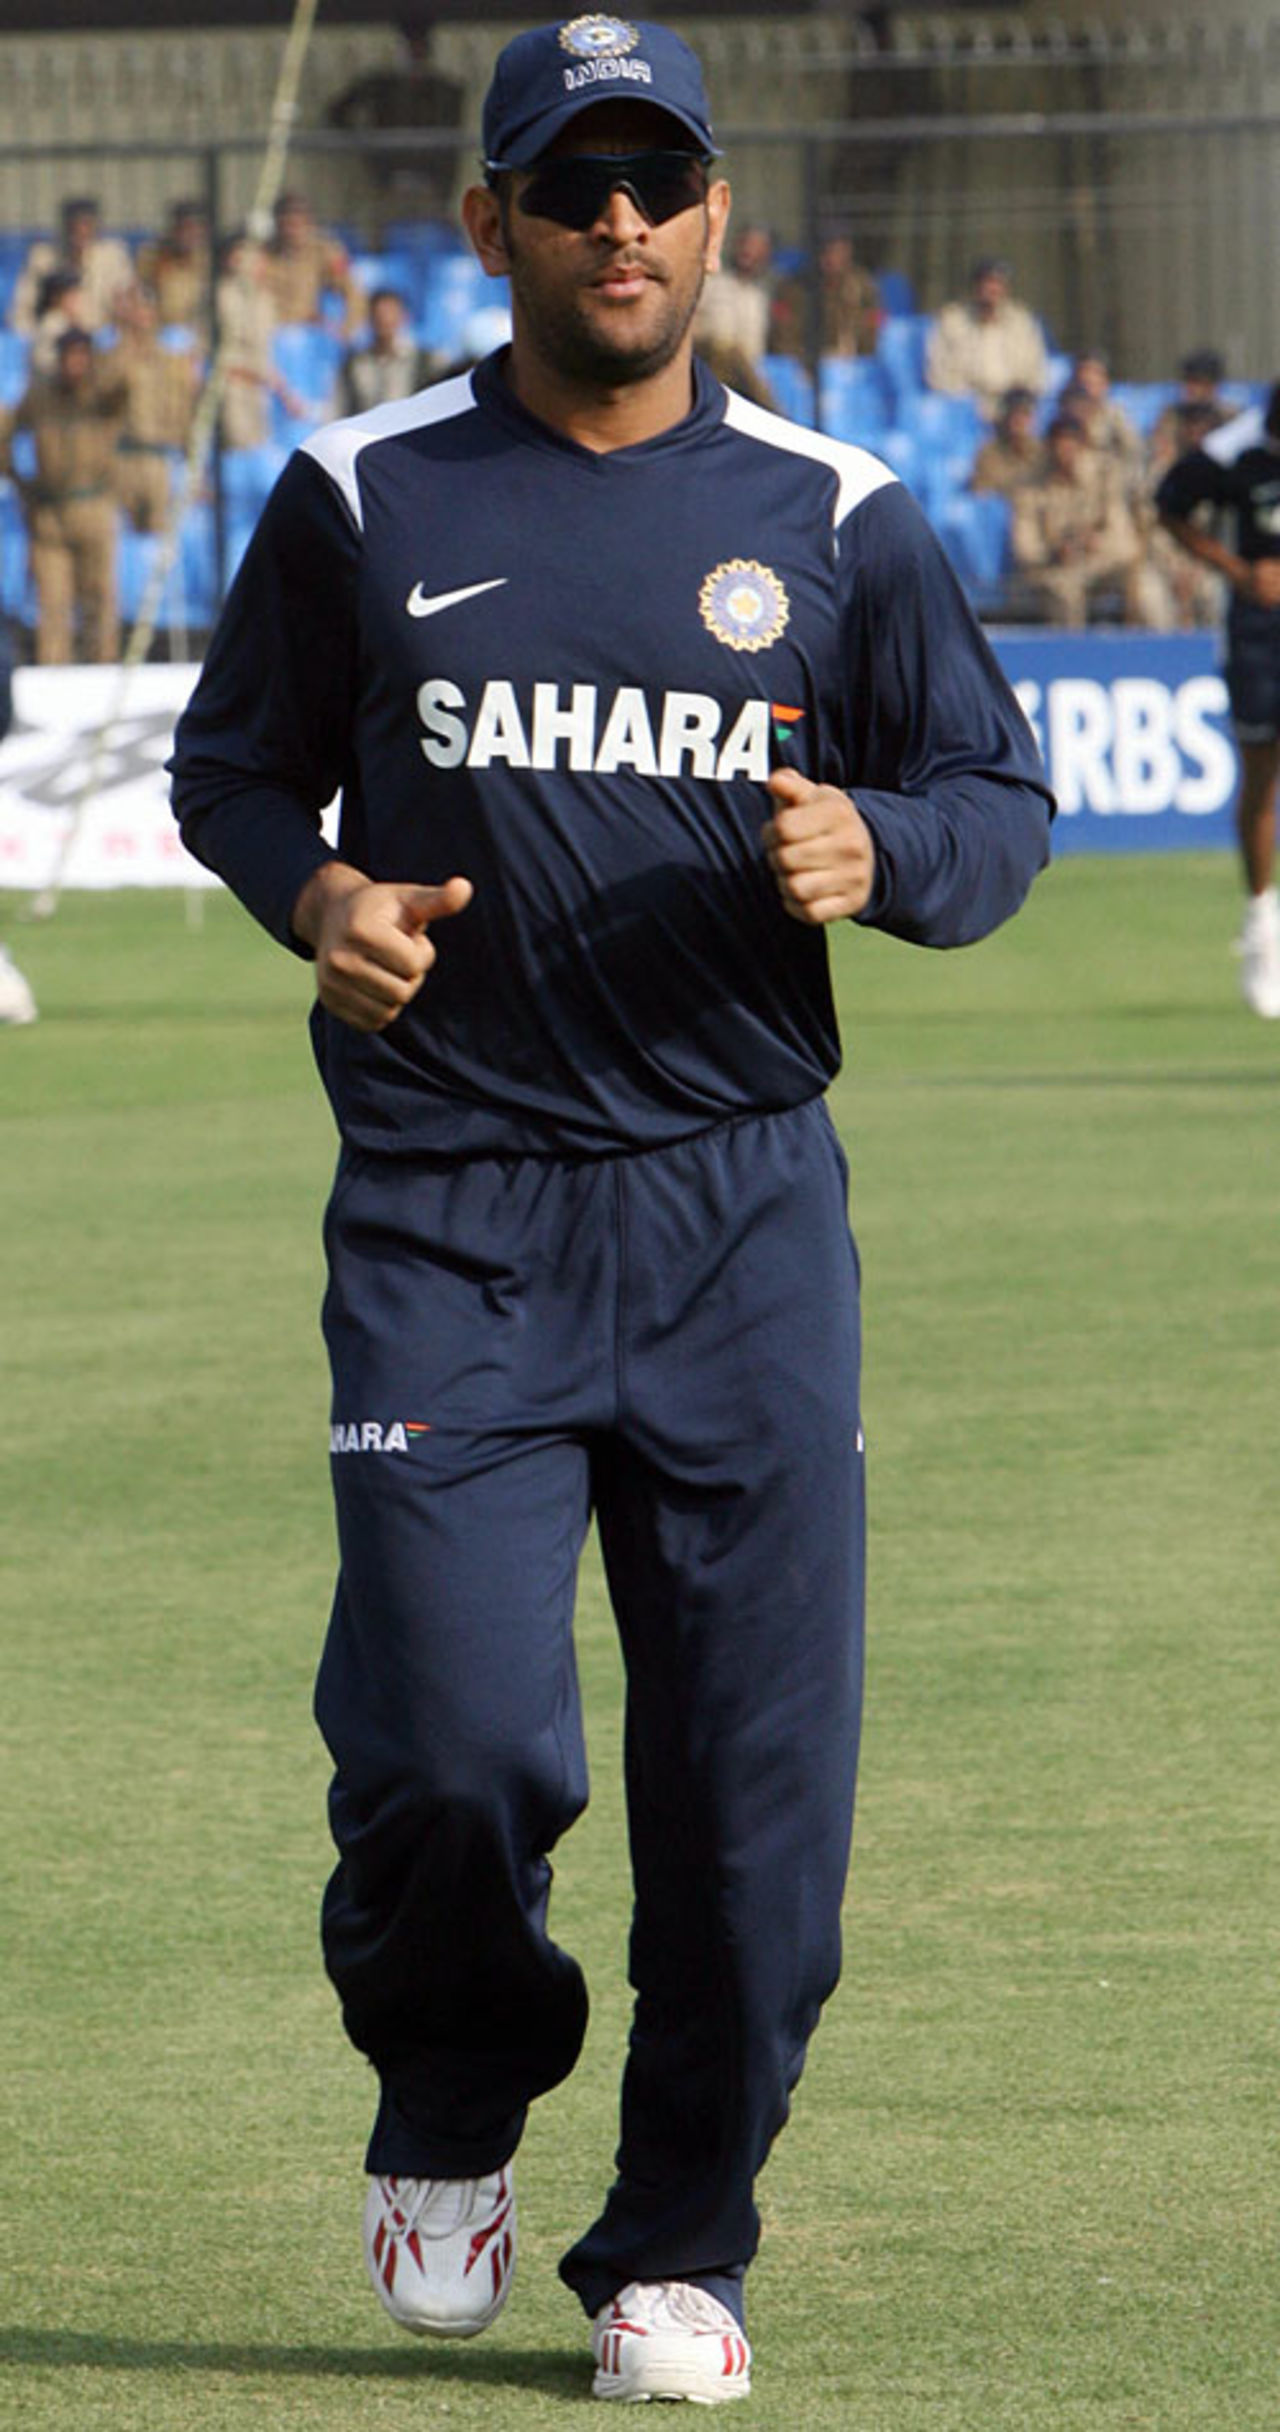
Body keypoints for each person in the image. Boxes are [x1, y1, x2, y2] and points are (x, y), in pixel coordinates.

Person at [170, 14, 1052, 2408]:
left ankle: (678, 2244)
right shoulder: (359, 494)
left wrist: (888, 853)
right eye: (573, 188)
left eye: (657, 183)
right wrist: (310, 891)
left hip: (737, 1219)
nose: (620, 225)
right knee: (456, 1754)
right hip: (450, 1208)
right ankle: (454, 2099)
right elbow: (229, 771)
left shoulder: (837, 514)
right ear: (493, 227)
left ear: (715, 217)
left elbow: (993, 794)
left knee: (759, 1838)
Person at [1157, 382, 1280, 1017]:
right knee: (1261, 772)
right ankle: (1262, 924)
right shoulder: (1233, 451)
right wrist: (1237, 571)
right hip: (1260, 634)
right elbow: (1170, 505)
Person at [0, 327, 126, 664]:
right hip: (50, 510)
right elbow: (8, 432)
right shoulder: (39, 395)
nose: (76, 363)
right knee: (53, 602)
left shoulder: (101, 393)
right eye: (70, 355)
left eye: (83, 354)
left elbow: (127, 387)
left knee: (99, 598)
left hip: (94, 505)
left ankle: (103, 667)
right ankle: (54, 672)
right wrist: (19, 480)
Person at [1010, 410, 1148, 628]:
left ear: (1083, 445)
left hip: (1100, 561)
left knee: (1146, 585)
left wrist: (1094, 543)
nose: (1065, 449)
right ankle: (1072, 657)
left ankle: (1148, 655)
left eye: (1071, 442)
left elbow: (1124, 539)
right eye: (1059, 442)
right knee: (1064, 590)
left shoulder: (1105, 475)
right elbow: (1024, 544)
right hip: (1056, 568)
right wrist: (1054, 552)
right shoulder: (1031, 484)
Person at [327, 9, 465, 225]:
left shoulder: (445, 90)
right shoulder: (381, 85)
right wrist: (367, 145)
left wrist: (443, 187)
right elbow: (337, 113)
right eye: (410, 48)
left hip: (431, 187)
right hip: (389, 183)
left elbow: (452, 141)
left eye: (421, 48)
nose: (415, 54)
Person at [103, 283, 200, 534]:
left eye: (146, 311)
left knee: (159, 541)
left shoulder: (172, 361)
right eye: (135, 311)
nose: (141, 318)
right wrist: (125, 337)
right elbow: (105, 394)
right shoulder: (111, 356)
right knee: (123, 542)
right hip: (124, 457)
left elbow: (187, 413)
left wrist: (195, 465)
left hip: (162, 458)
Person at [925, 254, 1048, 423]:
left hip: (1014, 407)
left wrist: (1021, 399)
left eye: (998, 283)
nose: (991, 289)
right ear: (975, 287)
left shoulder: (1023, 322)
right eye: (986, 283)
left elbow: (1036, 373)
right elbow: (937, 374)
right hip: (965, 408)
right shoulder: (952, 320)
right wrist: (967, 400)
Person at [8, 198, 133, 342]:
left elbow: (127, 303)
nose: (81, 231)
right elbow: (21, 310)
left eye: (87, 225)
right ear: (65, 228)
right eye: (74, 226)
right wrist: (33, 336)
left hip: (102, 337)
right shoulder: (43, 258)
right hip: (57, 338)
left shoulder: (113, 256)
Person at [261, 191, 365, 337]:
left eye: (297, 223)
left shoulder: (324, 250)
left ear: (309, 223)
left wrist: (348, 326)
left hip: (309, 330)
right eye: (286, 224)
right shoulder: (264, 253)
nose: (291, 231)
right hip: (271, 329)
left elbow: (352, 290)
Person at [772, 231, 882, 362]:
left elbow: (875, 331)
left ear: (848, 252)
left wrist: (856, 356)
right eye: (824, 252)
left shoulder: (865, 287)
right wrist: (813, 360)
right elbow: (783, 340)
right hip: (806, 366)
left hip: (853, 368)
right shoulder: (791, 289)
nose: (831, 259)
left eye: (838, 251)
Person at [335, 287, 438, 416]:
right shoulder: (354, 366)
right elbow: (338, 410)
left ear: (403, 316)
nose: (385, 320)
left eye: (390, 313)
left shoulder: (427, 362)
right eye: (378, 314)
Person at [136, 200, 214, 339]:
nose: (190, 235)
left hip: (198, 330)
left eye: (196, 229)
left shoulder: (208, 260)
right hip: (162, 329)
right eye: (185, 228)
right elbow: (143, 295)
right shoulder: (155, 256)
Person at [969, 384, 1046, 499]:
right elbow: (981, 494)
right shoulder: (989, 453)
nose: (1019, 420)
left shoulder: (1044, 453)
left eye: (1025, 414)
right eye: (1014, 413)